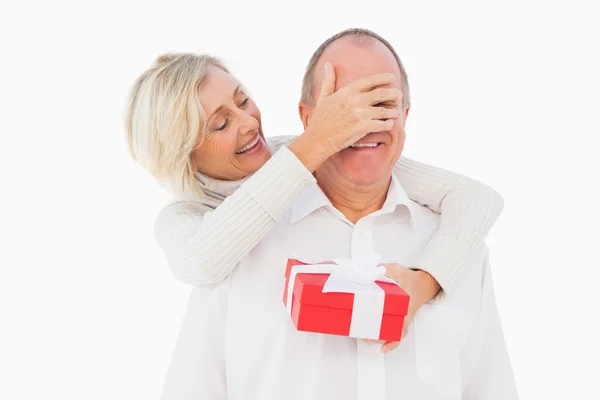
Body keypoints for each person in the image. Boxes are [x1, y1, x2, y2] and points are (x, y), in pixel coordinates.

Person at [152, 28, 518, 399]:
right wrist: (324, 138)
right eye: (344, 108)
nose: (360, 122)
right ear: (310, 119)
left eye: (381, 105)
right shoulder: (224, 249)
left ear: (406, 116)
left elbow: (479, 198)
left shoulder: (456, 245)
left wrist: (424, 283)